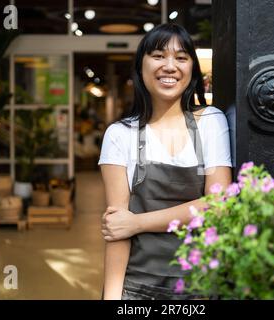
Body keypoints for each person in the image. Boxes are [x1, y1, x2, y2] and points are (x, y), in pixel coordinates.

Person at [98, 23, 232, 300]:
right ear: (140, 67)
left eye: (181, 58)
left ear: (192, 70)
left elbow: (218, 206)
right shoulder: (120, 134)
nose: (170, 66)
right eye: (158, 56)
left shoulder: (211, 121)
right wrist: (112, 297)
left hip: (200, 286)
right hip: (137, 287)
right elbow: (117, 228)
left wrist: (138, 223)